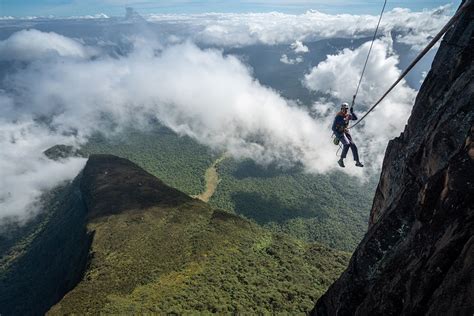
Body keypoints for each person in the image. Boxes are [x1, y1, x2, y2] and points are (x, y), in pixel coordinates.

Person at [332, 102, 364, 168]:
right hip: (339, 132)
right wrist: (338, 134)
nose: (345, 110)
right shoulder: (338, 116)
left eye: (346, 109)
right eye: (343, 109)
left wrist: (352, 112)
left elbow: (355, 118)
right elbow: (333, 128)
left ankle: (357, 162)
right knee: (347, 144)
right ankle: (341, 160)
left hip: (345, 131)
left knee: (353, 145)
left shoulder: (347, 115)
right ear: (341, 109)